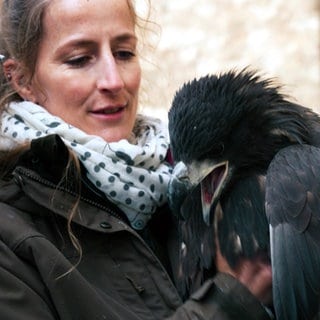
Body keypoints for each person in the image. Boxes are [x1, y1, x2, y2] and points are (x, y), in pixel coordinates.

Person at [0, 0, 272, 319]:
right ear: (22, 80)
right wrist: (226, 304)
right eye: (79, 59)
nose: (114, 81)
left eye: (124, 53)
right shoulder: (8, 236)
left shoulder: (194, 173)